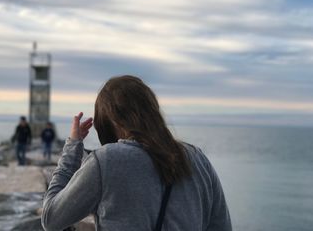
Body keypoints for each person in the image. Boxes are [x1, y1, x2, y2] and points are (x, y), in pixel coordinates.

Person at [42, 75, 232, 231]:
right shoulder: (198, 159)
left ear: (110, 122)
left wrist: (72, 146)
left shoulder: (107, 160)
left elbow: (51, 218)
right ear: (153, 110)